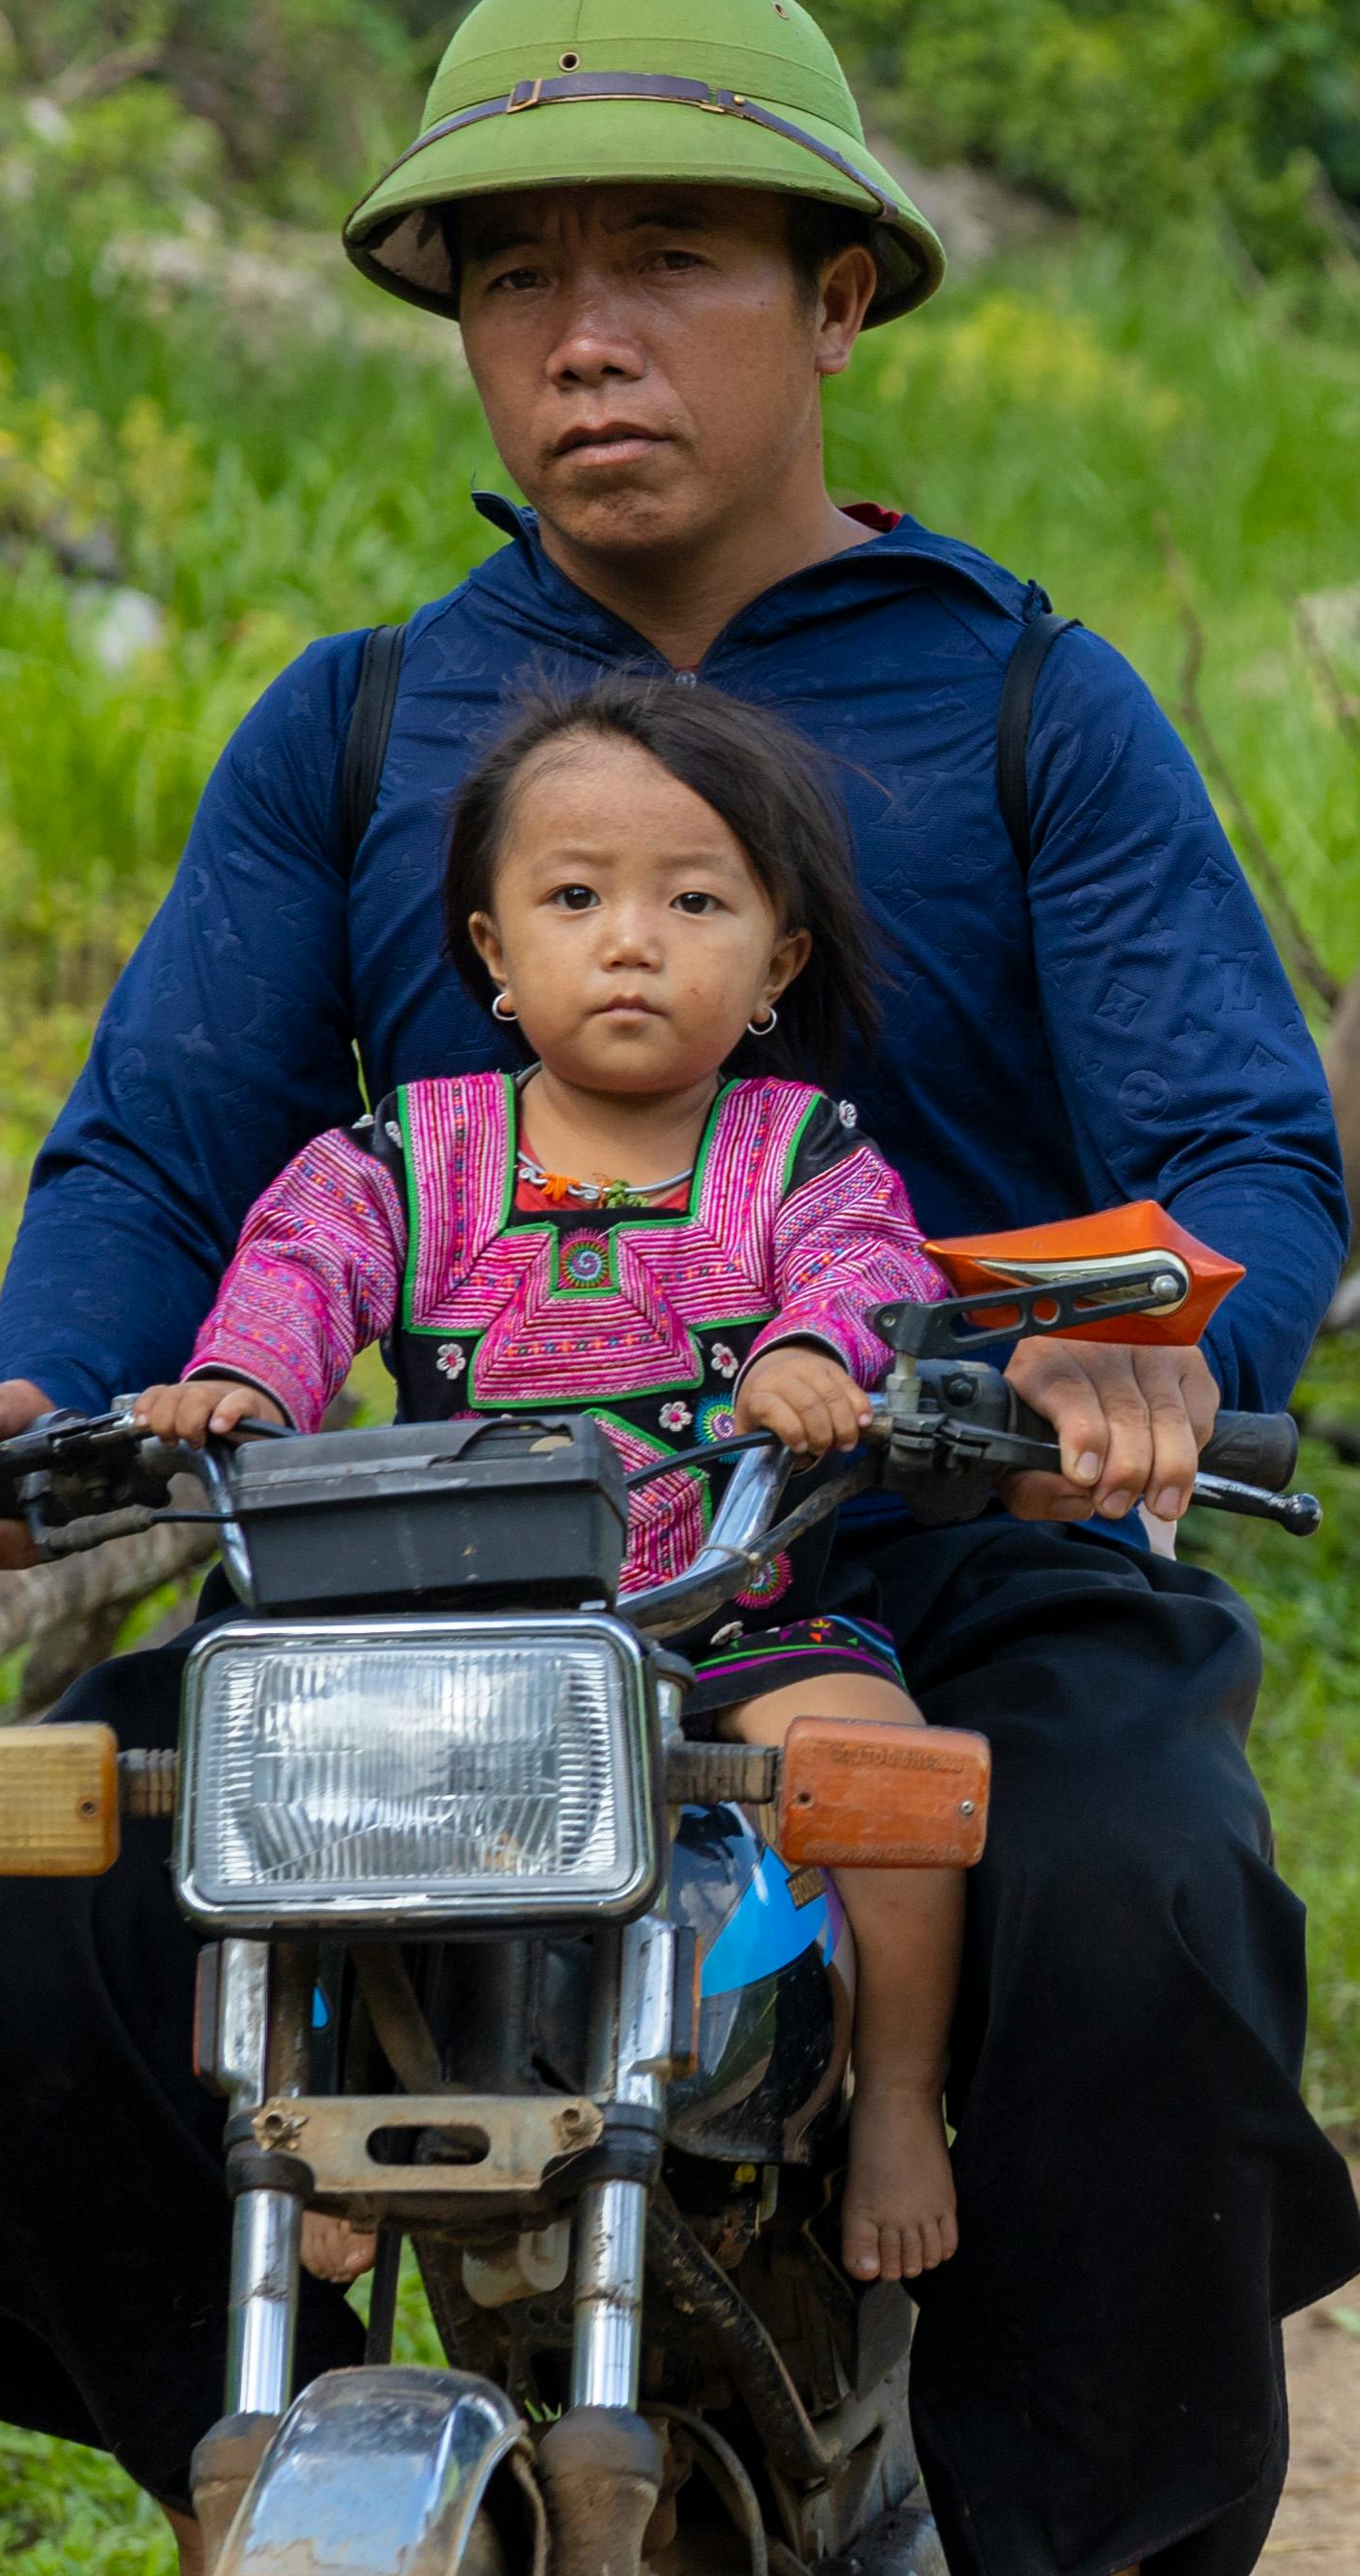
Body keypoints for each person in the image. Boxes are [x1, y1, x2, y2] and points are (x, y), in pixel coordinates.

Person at [0, 0, 1360, 2576]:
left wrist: (1159, 1352)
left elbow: (1240, 1137)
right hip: (450, 1571)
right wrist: (55, 1374)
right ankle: (244, 2534)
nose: (584, 336)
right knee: (33, 1885)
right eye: (518, 282)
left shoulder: (1021, 702)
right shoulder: (365, 726)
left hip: (919, 1532)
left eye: (669, 262)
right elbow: (163, 1142)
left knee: (1131, 1854)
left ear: (842, 294)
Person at [123, 671, 976, 2288]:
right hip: (454, 1634)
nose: (633, 939)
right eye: (575, 898)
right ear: (495, 956)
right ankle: (291, 2115)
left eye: (695, 900)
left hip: (732, 1621)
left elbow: (873, 1270)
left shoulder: (799, 1153)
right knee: (257, 1810)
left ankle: (897, 2100)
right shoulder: (405, 1150)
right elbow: (306, 1264)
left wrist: (821, 1355)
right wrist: (244, 1379)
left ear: (778, 961)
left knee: (886, 1787)